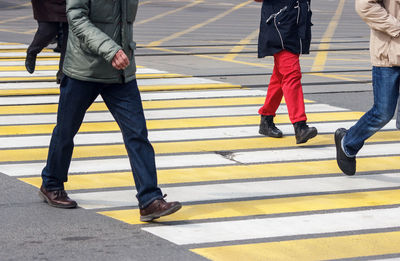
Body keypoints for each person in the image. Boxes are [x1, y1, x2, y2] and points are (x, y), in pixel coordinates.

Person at [38, 0, 182, 222]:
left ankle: (149, 200)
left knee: (137, 134)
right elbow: (76, 17)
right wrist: (111, 49)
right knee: (66, 130)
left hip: (120, 73)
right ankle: (51, 183)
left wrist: (119, 52)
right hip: (83, 69)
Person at [335, 0, 400, 176]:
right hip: (388, 55)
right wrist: (396, 26)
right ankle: (347, 142)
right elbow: (364, 6)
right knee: (383, 112)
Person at [255, 0, 318, 144]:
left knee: (279, 77)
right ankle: (300, 126)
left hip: (294, 25)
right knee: (291, 74)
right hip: (279, 25)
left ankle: (266, 118)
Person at [26, 0, 68, 84]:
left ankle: (63, 73)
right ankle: (32, 52)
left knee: (69, 41)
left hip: (70, 3)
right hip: (46, 3)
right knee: (48, 31)